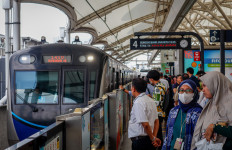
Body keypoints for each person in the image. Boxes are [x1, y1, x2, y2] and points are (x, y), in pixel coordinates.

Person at [191, 71, 232, 150]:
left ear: (216, 84)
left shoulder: (229, 104)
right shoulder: (211, 103)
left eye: (205, 86)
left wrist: (215, 127)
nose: (203, 90)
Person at [162, 79, 202, 150]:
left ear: (194, 93)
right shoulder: (173, 111)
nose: (184, 93)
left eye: (188, 90)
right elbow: (167, 135)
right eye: (181, 90)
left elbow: (200, 138)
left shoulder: (199, 113)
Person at [128, 78, 161, 150]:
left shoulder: (138, 102)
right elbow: (156, 121)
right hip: (149, 139)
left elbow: (145, 124)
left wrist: (153, 139)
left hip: (141, 142)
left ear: (133, 89)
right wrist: (154, 138)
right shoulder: (151, 100)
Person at [147, 70, 167, 149]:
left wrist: (149, 100)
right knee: (158, 133)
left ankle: (160, 147)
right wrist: (152, 97)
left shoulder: (158, 88)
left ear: (151, 79)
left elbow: (157, 103)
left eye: (149, 79)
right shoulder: (161, 85)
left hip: (158, 113)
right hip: (160, 112)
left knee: (158, 134)